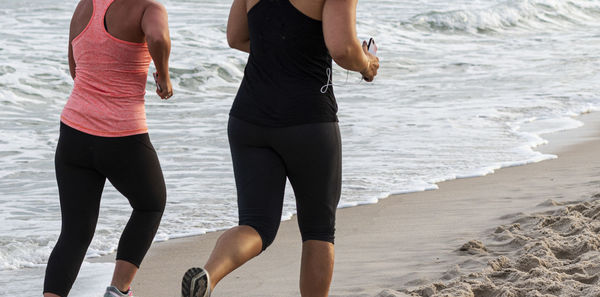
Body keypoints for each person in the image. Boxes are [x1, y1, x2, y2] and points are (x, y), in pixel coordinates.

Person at [181, 0, 379, 296]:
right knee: (318, 230)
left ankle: (209, 275)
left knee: (255, 225)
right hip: (308, 120)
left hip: (249, 118)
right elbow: (342, 49)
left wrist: (281, 50)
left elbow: (236, 37)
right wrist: (368, 64)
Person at [42, 0, 173, 296]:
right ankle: (118, 289)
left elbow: (74, 66)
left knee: (75, 233)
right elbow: (157, 37)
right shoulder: (149, 8)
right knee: (151, 204)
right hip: (122, 135)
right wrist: (163, 75)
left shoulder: (84, 6)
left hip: (73, 132)